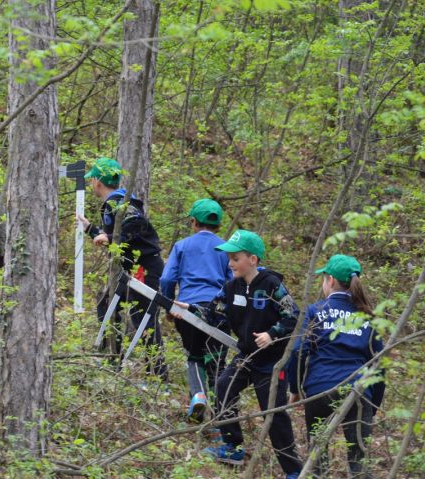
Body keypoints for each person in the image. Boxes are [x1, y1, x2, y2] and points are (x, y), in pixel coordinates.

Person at [178, 229, 302, 478]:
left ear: (252, 259)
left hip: (271, 362)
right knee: (224, 386)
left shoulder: (271, 285)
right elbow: (214, 314)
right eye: (229, 259)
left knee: (274, 413)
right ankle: (233, 446)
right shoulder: (231, 287)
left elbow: (293, 315)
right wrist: (190, 309)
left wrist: (272, 334)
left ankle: (293, 469)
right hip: (246, 356)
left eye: (236, 259)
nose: (230, 263)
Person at [287, 254, 384, 479]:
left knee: (317, 459)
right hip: (359, 391)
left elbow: (297, 351)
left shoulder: (315, 311)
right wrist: (373, 403)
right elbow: (380, 365)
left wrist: (296, 389)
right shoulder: (368, 317)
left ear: (330, 280)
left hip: (319, 389)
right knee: (359, 462)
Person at [77, 157, 168, 381]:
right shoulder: (117, 202)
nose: (91, 184)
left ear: (97, 182)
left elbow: (135, 226)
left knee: (143, 316)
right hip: (134, 267)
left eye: (92, 180)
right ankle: (112, 359)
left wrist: (106, 236)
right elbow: (118, 237)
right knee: (106, 303)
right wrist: (92, 230)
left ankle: (158, 375)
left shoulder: (117, 203)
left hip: (143, 268)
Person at [160, 199, 232, 422]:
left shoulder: (182, 246)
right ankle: (221, 417)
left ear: (193, 222)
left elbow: (167, 278)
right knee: (217, 363)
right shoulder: (226, 249)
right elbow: (232, 282)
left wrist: (169, 305)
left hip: (187, 309)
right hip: (218, 311)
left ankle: (198, 395)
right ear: (218, 224)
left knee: (195, 355)